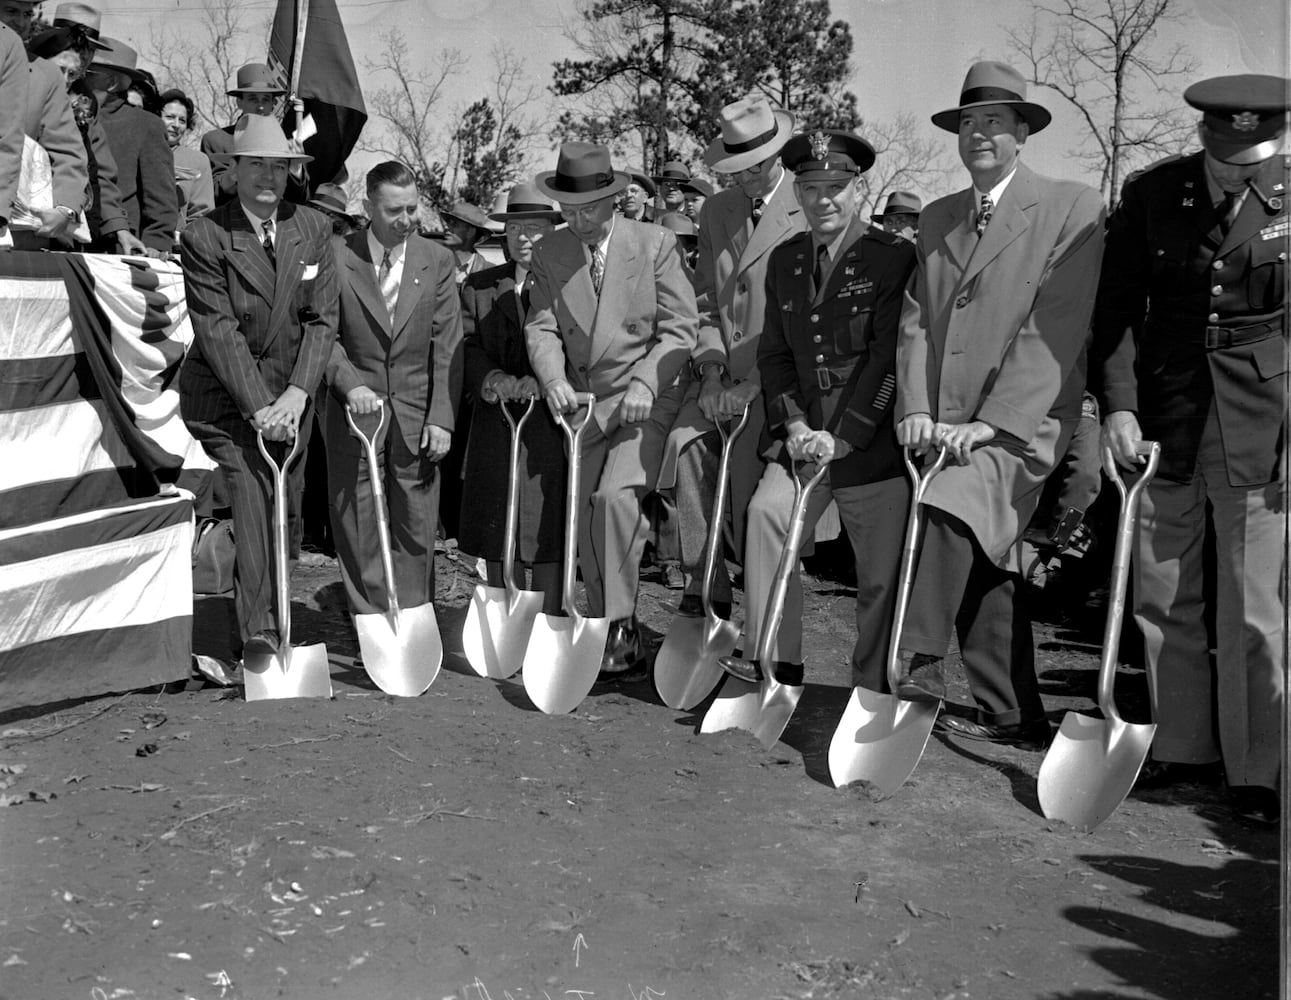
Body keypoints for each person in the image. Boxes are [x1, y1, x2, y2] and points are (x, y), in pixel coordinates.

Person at [1092, 74, 1289, 825]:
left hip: (1262, 417)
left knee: (1254, 605)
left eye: (1257, 152)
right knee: (1162, 589)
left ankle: (1256, 771)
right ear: (1205, 136)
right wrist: (1116, 407)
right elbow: (1116, 309)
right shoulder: (1154, 194)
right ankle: (1179, 748)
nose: (1244, 167)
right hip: (1164, 414)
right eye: (1229, 153)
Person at [894, 61, 1105, 748]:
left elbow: (1058, 323)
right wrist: (915, 407)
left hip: (1025, 421)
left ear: (1021, 133)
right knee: (986, 554)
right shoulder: (936, 217)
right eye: (968, 123)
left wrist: (994, 421)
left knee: (948, 512)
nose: (978, 134)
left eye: (994, 122)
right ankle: (1013, 710)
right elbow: (917, 321)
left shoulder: (1072, 207)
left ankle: (909, 666)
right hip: (944, 421)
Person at [719, 130, 915, 689]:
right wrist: (796, 424)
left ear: (859, 188)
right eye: (810, 187)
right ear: (797, 193)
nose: (823, 199)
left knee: (880, 572)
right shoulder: (784, 260)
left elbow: (888, 357)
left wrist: (847, 434)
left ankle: (874, 681)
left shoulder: (893, 257)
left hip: (868, 440)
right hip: (803, 436)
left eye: (836, 186)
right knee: (765, 516)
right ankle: (775, 658)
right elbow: (775, 354)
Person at [526, 141, 698, 678]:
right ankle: (600, 617)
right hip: (586, 404)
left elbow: (680, 328)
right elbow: (542, 326)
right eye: (569, 210)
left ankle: (620, 623)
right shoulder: (551, 252)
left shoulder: (655, 243)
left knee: (614, 498)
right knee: (583, 509)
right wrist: (552, 378)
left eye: (590, 209)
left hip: (646, 398)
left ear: (616, 199)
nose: (578, 220)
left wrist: (647, 381)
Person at [179, 114, 338, 662]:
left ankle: (278, 612)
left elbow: (322, 320)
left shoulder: (314, 228)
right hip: (227, 397)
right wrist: (261, 408)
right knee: (252, 491)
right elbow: (217, 331)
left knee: (286, 505)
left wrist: (297, 394)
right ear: (234, 169)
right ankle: (262, 634)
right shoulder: (205, 234)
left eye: (279, 166)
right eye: (256, 165)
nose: (268, 177)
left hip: (290, 398)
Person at [661, 95, 805, 622]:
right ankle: (706, 588)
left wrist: (755, 384)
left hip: (783, 385)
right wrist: (713, 370)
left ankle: (766, 613)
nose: (743, 178)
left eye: (754, 167)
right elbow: (704, 301)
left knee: (759, 498)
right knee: (686, 444)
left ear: (778, 155)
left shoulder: (807, 203)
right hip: (722, 377)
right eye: (733, 168)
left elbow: (805, 320)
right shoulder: (716, 210)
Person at [323, 161, 462, 625]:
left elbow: (447, 344)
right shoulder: (335, 255)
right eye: (393, 211)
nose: (406, 220)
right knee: (356, 517)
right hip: (354, 410)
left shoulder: (437, 260)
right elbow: (322, 332)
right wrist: (349, 383)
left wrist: (441, 416)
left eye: (412, 209)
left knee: (417, 521)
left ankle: (415, 616)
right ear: (367, 208)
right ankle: (371, 618)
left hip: (416, 411)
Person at [458, 182, 567, 614]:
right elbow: (465, 345)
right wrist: (494, 378)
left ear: (553, 231)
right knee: (498, 518)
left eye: (536, 227)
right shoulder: (480, 286)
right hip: (497, 422)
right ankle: (506, 610)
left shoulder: (570, 284)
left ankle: (551, 615)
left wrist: (549, 378)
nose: (525, 237)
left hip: (552, 425)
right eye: (516, 227)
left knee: (547, 522)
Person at [27, 7, 133, 253]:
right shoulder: (19, 89)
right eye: (79, 44)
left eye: (91, 48)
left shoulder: (87, 100)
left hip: (72, 220)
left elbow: (99, 169)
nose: (85, 54)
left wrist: (119, 227)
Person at [4, 0, 85, 249]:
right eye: (10, 11)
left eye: (27, 14)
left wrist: (65, 209)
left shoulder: (46, 75)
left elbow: (68, 150)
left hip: (14, 228)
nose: (20, 21)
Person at [85, 38, 177, 255]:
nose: (79, 74)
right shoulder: (67, 113)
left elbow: (161, 199)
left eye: (89, 71)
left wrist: (154, 248)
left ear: (112, 82)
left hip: (119, 250)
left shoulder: (145, 124)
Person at [202, 63, 308, 208]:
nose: (260, 106)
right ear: (239, 102)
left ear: (272, 104)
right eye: (253, 99)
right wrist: (238, 170)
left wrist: (295, 168)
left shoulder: (285, 144)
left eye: (266, 99)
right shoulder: (216, 140)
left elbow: (299, 201)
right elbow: (212, 194)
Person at [157, 88, 214, 241]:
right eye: (170, 117)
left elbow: (202, 214)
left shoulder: (197, 161)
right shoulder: (137, 151)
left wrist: (185, 238)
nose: (176, 125)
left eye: (182, 120)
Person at [439, 201, 493, 284]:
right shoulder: (434, 263)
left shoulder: (489, 273)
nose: (447, 227)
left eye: (454, 224)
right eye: (448, 222)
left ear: (470, 232)